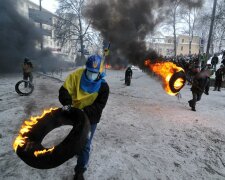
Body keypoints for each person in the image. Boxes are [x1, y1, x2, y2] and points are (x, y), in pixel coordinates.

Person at [58, 55, 109, 180]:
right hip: (76, 113)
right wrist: (67, 103)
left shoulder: (103, 87)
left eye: (95, 73)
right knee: (76, 135)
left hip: (91, 118)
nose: (92, 75)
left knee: (85, 144)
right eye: (90, 71)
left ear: (99, 72)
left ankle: (80, 171)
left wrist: (85, 111)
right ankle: (77, 149)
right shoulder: (76, 76)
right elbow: (64, 90)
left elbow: (99, 106)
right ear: (86, 68)